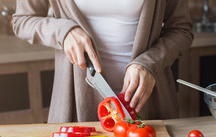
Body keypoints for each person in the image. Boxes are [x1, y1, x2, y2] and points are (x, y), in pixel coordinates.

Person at [13, 0, 193, 123]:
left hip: (147, 98)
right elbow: (22, 21)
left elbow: (181, 30)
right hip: (76, 99)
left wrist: (150, 62)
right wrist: (63, 32)